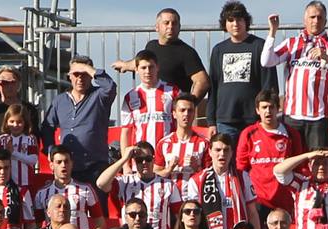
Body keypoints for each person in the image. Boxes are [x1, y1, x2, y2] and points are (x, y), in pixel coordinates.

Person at [261, 4, 328, 151]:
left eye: (320, 17)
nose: (316, 21)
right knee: (293, 164)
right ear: (304, 20)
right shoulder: (292, 43)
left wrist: (327, 59)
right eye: (312, 17)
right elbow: (266, 61)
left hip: (319, 118)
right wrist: (272, 32)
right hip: (293, 117)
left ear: (325, 22)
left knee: (318, 165)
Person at [39, 57, 117, 188]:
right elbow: (47, 127)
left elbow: (110, 87)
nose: (80, 78)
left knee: (97, 205)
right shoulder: (60, 100)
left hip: (95, 166)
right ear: (69, 76)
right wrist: (51, 150)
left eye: (84, 74)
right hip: (68, 167)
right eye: (76, 74)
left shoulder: (99, 96)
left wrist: (88, 69)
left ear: (91, 75)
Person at [207, 3, 276, 139]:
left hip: (254, 119)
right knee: (227, 160)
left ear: (246, 21)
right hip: (225, 120)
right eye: (230, 20)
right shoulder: (218, 50)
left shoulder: (259, 46)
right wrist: (211, 122)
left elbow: (269, 84)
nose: (235, 24)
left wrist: (267, 114)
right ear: (225, 24)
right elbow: (213, 87)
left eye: (239, 19)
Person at [114, 8, 209, 100]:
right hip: (151, 107)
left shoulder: (187, 52)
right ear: (157, 27)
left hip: (173, 111)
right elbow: (140, 63)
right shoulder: (151, 46)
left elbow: (202, 81)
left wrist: (189, 105)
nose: (170, 26)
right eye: (166, 23)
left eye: (174, 23)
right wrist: (125, 65)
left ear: (179, 27)